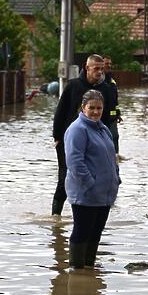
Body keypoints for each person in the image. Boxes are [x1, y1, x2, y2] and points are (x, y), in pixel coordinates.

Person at [52, 54, 117, 215]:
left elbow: (109, 117)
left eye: (102, 69)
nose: (100, 72)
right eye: (96, 69)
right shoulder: (73, 86)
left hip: (96, 142)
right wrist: (57, 137)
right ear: (86, 68)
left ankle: (92, 210)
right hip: (71, 140)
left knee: (97, 175)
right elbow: (60, 111)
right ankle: (56, 216)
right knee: (65, 177)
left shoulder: (107, 89)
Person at [64, 90, 120, 268]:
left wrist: (116, 178)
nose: (96, 112)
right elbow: (74, 162)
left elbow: (112, 156)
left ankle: (89, 268)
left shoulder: (103, 128)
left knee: (96, 232)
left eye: (99, 108)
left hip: (104, 194)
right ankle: (76, 270)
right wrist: (90, 183)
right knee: (82, 231)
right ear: (83, 107)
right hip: (86, 193)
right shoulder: (77, 129)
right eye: (92, 108)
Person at [102, 56, 122, 153]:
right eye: (107, 64)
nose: (109, 66)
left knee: (115, 137)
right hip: (101, 117)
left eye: (110, 64)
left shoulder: (112, 80)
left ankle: (115, 158)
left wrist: (118, 113)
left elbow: (115, 99)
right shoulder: (99, 80)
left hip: (112, 117)